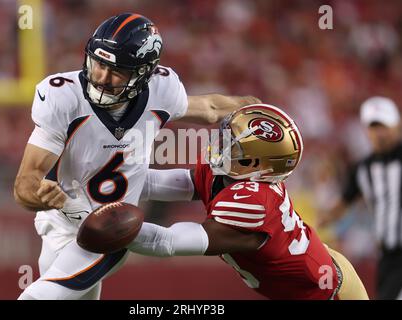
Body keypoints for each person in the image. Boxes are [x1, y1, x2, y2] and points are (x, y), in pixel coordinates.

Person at [13, 13, 260, 300]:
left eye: (116, 70)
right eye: (99, 64)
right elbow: (24, 183)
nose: (103, 78)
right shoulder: (62, 97)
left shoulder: (161, 91)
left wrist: (251, 107)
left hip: (109, 231)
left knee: (40, 297)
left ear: (144, 73)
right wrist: (40, 194)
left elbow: (209, 108)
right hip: (60, 223)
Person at [125, 104, 369, 299]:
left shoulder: (254, 202)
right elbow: (175, 183)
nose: (220, 145)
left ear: (253, 164)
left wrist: (106, 227)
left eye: (233, 145)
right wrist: (113, 181)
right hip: (316, 270)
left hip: (329, 292)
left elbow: (167, 242)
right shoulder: (232, 172)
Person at [318, 96, 402, 300]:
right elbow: (345, 201)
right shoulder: (363, 169)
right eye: (374, 127)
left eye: (383, 126)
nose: (379, 133)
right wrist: (319, 222)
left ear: (396, 126)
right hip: (387, 255)